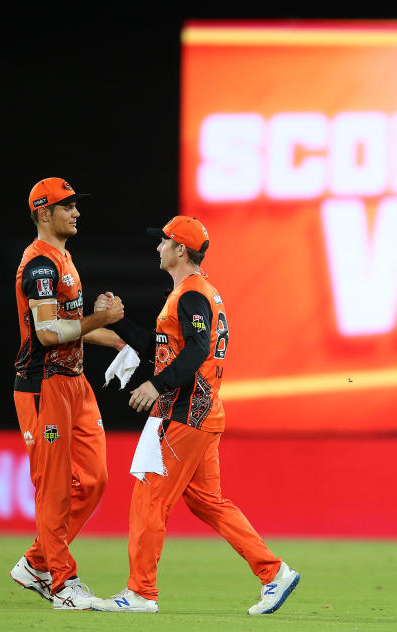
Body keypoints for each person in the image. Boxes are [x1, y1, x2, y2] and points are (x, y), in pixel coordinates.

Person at [89, 215, 300, 615]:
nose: (158, 248)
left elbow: (198, 348)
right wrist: (119, 323)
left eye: (163, 241)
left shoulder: (190, 295)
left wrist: (157, 385)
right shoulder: (196, 293)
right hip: (203, 412)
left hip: (185, 413)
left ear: (180, 249)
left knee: (149, 496)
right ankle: (275, 573)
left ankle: (140, 593)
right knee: (207, 502)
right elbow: (161, 346)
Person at [9, 177, 127, 610]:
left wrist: (112, 337)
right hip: (44, 387)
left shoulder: (62, 257)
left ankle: (36, 561)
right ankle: (62, 583)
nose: (76, 212)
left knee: (94, 480)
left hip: (75, 384)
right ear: (43, 213)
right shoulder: (40, 265)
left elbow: (68, 327)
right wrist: (99, 319)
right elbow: (45, 333)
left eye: (76, 205)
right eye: (68, 206)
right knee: (54, 488)